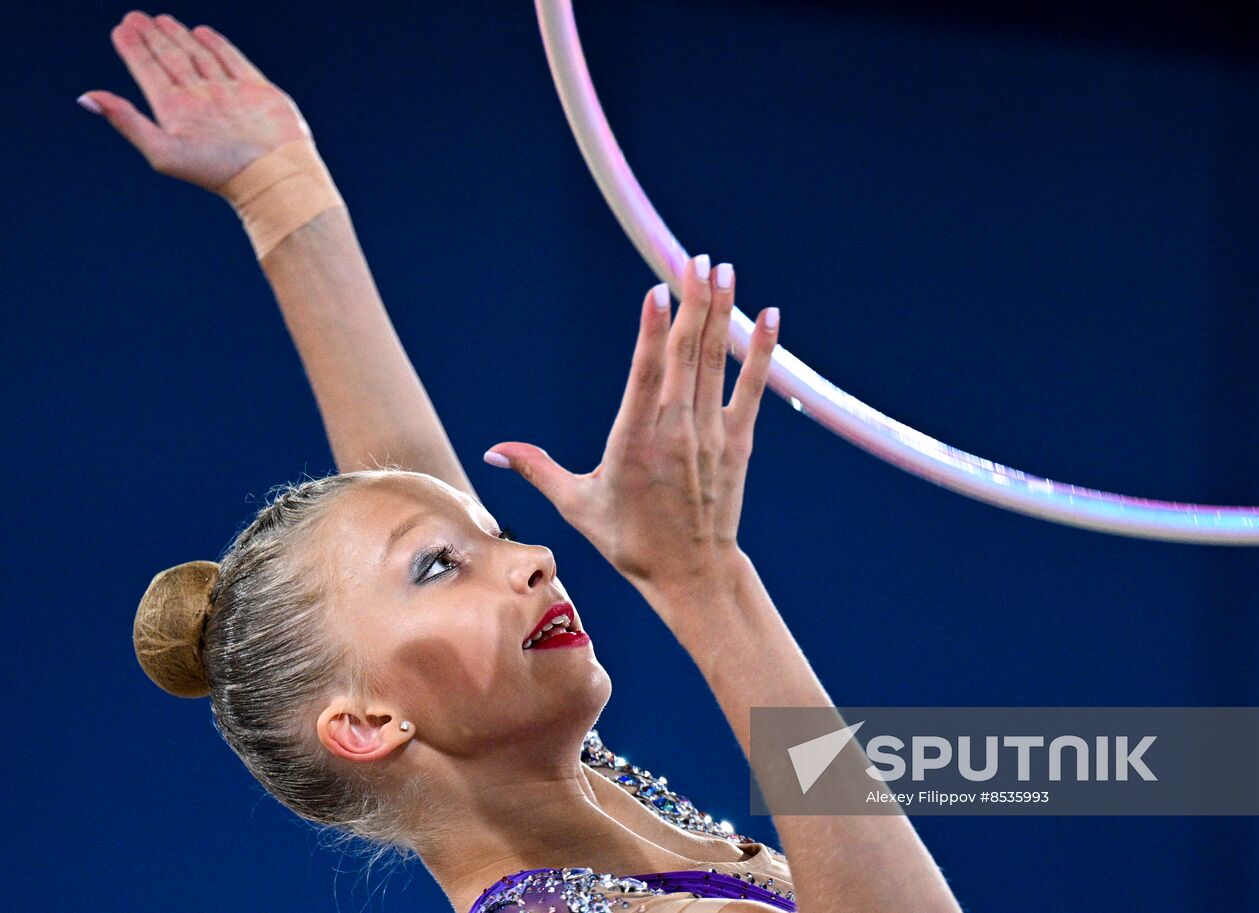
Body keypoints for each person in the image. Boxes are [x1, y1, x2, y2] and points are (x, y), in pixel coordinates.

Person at [85, 11, 961, 912]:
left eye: (495, 532)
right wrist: (707, 585)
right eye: (439, 568)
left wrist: (281, 189)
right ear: (369, 724)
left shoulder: (573, 801)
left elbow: (403, 483)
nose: (534, 557)